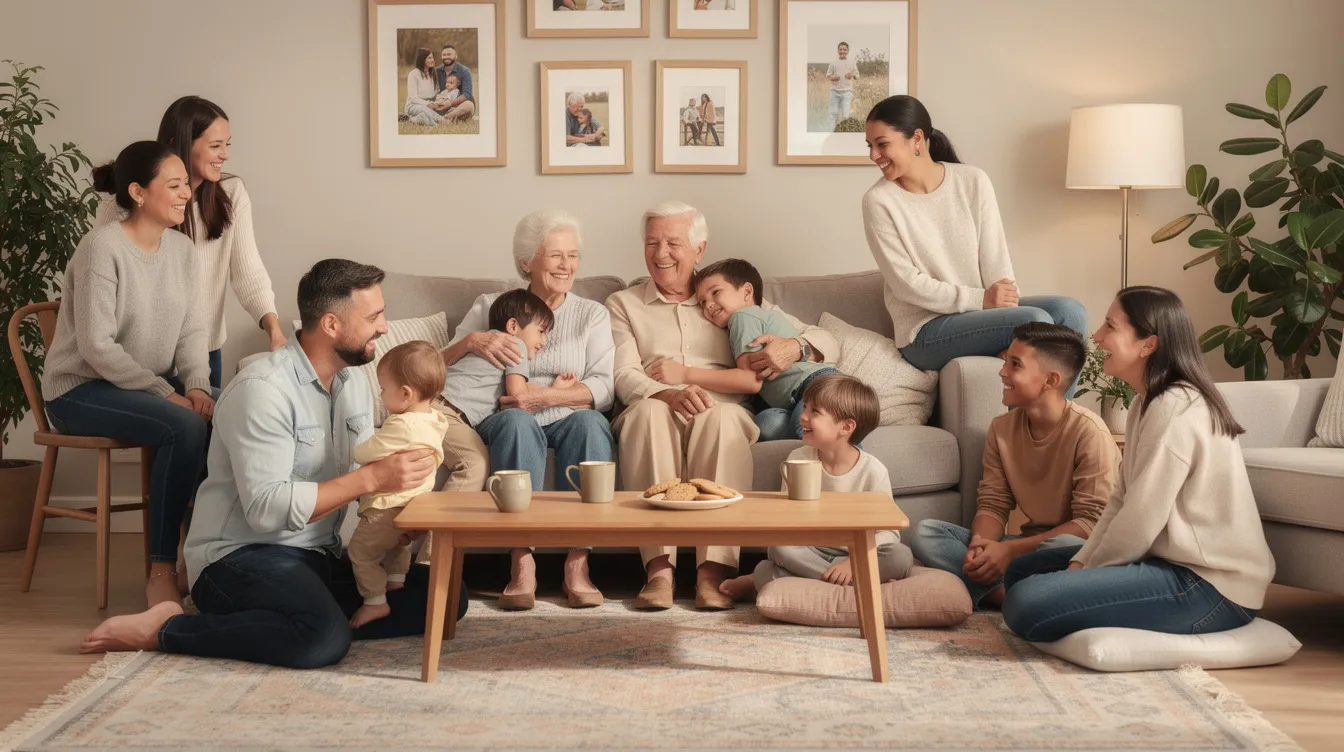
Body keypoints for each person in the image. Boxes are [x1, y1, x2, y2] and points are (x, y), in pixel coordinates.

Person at [78, 259, 468, 666]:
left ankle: (291, 620)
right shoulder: (262, 390)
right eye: (375, 317)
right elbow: (266, 511)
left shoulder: (353, 384)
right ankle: (166, 629)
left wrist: (398, 520)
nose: (384, 327)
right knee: (323, 637)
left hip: (316, 554)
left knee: (447, 594)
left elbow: (367, 476)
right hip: (239, 557)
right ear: (332, 325)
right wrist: (373, 478)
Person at [1001, 286, 1275, 642]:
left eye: (1110, 327)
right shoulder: (1145, 404)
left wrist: (1081, 577)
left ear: (1148, 344)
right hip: (1164, 561)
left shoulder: (1176, 408)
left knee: (1025, 602)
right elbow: (1121, 502)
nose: (1096, 338)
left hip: (1209, 584)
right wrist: (1082, 563)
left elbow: (1140, 520)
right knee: (1022, 570)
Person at [606, 201, 839, 610]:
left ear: (699, 248)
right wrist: (668, 393)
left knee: (724, 419)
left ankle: (712, 572)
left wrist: (796, 346)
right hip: (654, 400)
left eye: (673, 242)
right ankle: (658, 570)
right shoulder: (623, 304)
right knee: (646, 415)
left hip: (723, 405)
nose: (661, 253)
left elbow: (827, 339)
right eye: (652, 242)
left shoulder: (721, 295)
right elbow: (623, 373)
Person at [44, 141, 212, 609]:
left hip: (136, 385)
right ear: (138, 192)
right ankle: (160, 568)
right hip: (79, 389)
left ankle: (200, 558)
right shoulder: (102, 247)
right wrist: (165, 393)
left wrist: (196, 384)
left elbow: (193, 331)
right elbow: (97, 347)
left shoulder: (181, 250)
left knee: (228, 410)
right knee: (181, 425)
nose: (186, 195)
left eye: (186, 186)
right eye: (174, 185)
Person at [439, 210, 615, 609]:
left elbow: (604, 386)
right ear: (526, 262)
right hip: (508, 417)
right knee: (517, 421)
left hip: (567, 414)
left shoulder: (592, 314)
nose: (566, 265)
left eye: (573, 255)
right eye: (555, 255)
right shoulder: (490, 305)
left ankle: (578, 563)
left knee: (591, 422)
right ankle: (522, 562)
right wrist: (470, 342)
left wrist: (548, 397)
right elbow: (444, 363)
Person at [862, 95, 1087, 394]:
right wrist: (981, 301)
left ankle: (1060, 422)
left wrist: (1005, 301)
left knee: (1070, 312)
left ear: (916, 138)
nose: (873, 155)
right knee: (1034, 320)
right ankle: (1033, 426)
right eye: (870, 146)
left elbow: (996, 257)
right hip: (924, 333)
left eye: (882, 144)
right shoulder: (879, 201)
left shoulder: (972, 180)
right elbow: (907, 285)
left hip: (981, 314)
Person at [908, 323, 1119, 609]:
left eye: (1015, 364)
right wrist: (981, 548)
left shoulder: (1089, 431)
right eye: (1005, 360)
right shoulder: (1001, 429)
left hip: (1070, 551)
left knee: (1062, 546)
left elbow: (1090, 523)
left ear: (1050, 380)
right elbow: (992, 504)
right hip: (1023, 548)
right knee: (927, 532)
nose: (1002, 371)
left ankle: (1000, 591)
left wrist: (1008, 551)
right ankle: (1006, 595)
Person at [94, 96, 285, 390]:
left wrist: (274, 330)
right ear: (179, 143)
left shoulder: (231, 194)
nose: (225, 155)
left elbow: (249, 272)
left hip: (201, 354)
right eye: (215, 145)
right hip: (134, 361)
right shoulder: (121, 208)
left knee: (210, 429)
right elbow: (103, 288)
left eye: (227, 144)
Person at [720, 375, 914, 601]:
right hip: (810, 549)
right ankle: (858, 583)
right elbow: (785, 519)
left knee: (901, 557)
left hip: (857, 551)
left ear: (846, 427)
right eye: (805, 407)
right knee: (779, 549)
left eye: (815, 412)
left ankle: (768, 580)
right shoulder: (798, 458)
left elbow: (889, 532)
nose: (802, 416)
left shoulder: (873, 470)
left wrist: (854, 562)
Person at [645, 258, 839, 441]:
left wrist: (684, 373)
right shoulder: (756, 318)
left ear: (747, 292)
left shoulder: (743, 317)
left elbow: (749, 381)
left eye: (716, 292)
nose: (708, 305)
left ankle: (849, 466)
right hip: (795, 397)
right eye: (702, 302)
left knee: (814, 432)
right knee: (766, 424)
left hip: (813, 387)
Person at [347, 341, 450, 629]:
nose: (380, 395)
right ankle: (395, 583)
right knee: (396, 548)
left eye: (383, 388)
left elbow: (363, 452)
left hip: (386, 507)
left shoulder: (401, 426)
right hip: (411, 508)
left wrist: (354, 448)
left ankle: (374, 603)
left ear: (405, 394)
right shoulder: (435, 419)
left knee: (361, 552)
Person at [434, 45, 476, 122]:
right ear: (441, 57)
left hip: (459, 106)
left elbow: (467, 94)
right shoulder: (436, 71)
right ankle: (447, 119)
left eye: (449, 54)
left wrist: (450, 103)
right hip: (441, 106)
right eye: (444, 55)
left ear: (456, 56)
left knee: (469, 105)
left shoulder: (465, 71)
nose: (446, 56)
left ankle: (443, 118)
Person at [404, 48, 443, 127]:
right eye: (429, 58)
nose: (433, 60)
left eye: (432, 58)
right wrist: (428, 104)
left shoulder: (433, 73)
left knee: (445, 108)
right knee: (425, 110)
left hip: (431, 105)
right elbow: (413, 98)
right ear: (422, 59)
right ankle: (441, 121)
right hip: (413, 105)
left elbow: (437, 92)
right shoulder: (413, 74)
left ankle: (412, 119)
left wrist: (439, 101)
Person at [826, 42, 859, 131]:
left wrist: (852, 74)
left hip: (847, 92)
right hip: (834, 91)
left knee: (846, 114)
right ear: (838, 50)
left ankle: (845, 131)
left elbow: (857, 76)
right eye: (840, 49)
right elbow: (828, 75)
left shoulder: (852, 62)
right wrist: (833, 77)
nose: (842, 51)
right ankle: (831, 132)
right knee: (833, 113)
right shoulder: (833, 63)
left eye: (844, 49)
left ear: (847, 51)